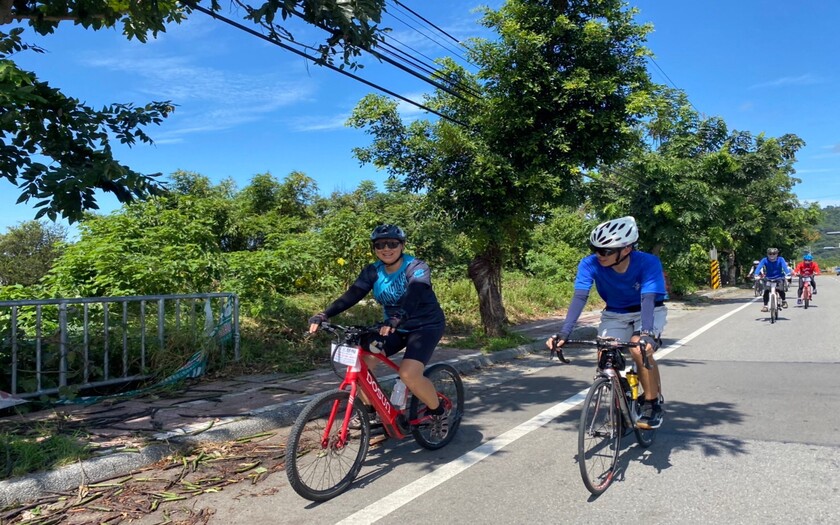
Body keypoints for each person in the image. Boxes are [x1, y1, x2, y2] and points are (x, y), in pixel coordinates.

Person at [308, 224, 447, 427]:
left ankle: (438, 411)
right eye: (380, 245)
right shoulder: (373, 271)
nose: (386, 248)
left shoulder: (416, 267)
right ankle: (371, 413)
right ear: (374, 248)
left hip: (425, 326)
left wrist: (398, 317)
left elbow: (415, 293)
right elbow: (352, 295)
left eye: (392, 243)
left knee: (408, 374)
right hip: (392, 327)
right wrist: (324, 314)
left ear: (402, 245)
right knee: (360, 363)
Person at [545, 216, 667, 430]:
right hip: (615, 312)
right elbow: (580, 297)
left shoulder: (648, 262)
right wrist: (563, 333)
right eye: (595, 249)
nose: (598, 255)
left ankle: (652, 403)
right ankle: (621, 402)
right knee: (605, 358)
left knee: (640, 350)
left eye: (605, 251)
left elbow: (647, 299)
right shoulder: (589, 263)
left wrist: (647, 334)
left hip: (648, 310)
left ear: (626, 249)